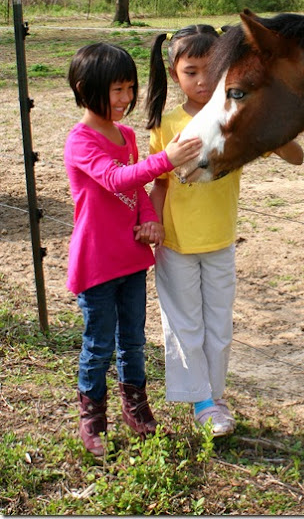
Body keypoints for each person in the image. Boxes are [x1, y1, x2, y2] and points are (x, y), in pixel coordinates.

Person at [145, 25, 304, 437]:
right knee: (185, 326)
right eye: (191, 72)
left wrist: (273, 129)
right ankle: (201, 400)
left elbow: (296, 157)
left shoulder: (235, 118)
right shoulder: (166, 124)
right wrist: (154, 224)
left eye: (211, 71)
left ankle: (215, 397)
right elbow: (159, 182)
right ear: (174, 73)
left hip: (220, 241)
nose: (202, 81)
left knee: (219, 325)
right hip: (176, 244)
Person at [64, 41, 202, 457]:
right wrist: (167, 159)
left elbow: (137, 189)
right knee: (98, 344)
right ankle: (93, 417)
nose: (126, 99)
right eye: (117, 90)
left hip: (130, 259)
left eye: (130, 88)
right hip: (97, 263)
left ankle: (136, 407)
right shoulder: (81, 141)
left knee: (134, 341)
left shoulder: (125, 135)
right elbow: (115, 179)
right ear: (85, 88)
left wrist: (150, 218)